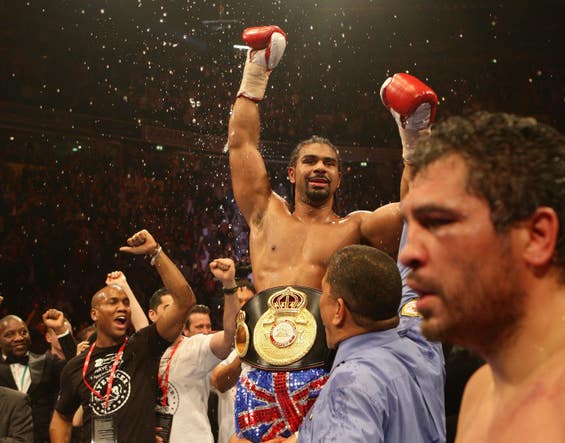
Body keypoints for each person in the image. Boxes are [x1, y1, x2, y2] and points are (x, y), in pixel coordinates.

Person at [226, 24, 438, 442]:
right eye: (309, 161)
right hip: (259, 378)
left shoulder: (356, 226)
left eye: (328, 163)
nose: (319, 167)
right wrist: (255, 73)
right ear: (292, 172)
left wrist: (414, 138)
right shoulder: (265, 213)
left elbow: (418, 211)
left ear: (339, 178)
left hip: (326, 376)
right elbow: (241, 146)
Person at [399, 111, 565, 442]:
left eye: (439, 222)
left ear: (536, 236)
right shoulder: (479, 394)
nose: (407, 254)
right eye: (412, 226)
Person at [274, 244, 445, 442]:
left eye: (323, 292)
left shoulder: (349, 386)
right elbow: (414, 275)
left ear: (339, 310)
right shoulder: (422, 341)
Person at [50, 229, 196, 443]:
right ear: (94, 314)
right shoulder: (76, 366)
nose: (123, 308)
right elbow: (61, 417)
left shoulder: (142, 346)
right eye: (113, 302)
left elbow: (185, 300)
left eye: (126, 303)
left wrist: (155, 252)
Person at [147, 258, 239, 443]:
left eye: (179, 309)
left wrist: (228, 285)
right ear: (152, 315)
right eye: (168, 308)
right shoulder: (142, 351)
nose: (175, 313)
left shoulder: (195, 346)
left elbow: (230, 335)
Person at [0, 309, 76, 443]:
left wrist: (61, 331)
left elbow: (75, 367)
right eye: (9, 334)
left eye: (23, 332)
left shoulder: (47, 362)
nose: (19, 338)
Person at [210, 264, 256, 443]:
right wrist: (247, 352)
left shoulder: (273, 348)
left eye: (249, 302)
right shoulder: (220, 346)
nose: (243, 308)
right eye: (239, 301)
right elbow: (218, 382)